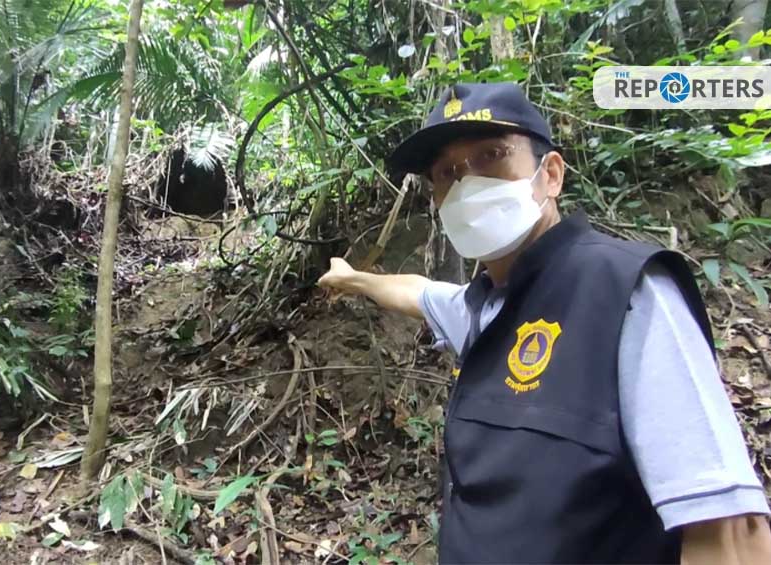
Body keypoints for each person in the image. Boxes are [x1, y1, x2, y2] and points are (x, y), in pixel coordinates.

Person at [318, 83, 771, 564]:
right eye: (447, 173)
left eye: (491, 155)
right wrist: (354, 279)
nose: (467, 185)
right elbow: (417, 292)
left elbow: (731, 533)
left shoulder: (624, 293)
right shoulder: (482, 308)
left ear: (550, 175)